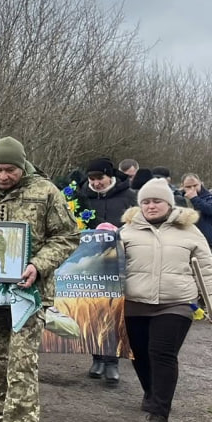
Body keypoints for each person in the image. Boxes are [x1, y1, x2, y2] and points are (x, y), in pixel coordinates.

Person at [0, 137, 79, 422]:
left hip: (29, 293)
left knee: (22, 361)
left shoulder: (45, 192)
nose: (3, 176)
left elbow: (68, 236)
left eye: (10, 170)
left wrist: (37, 265)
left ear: (23, 166)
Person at [120, 179, 212, 422]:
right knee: (140, 354)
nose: (151, 206)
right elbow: (107, 267)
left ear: (168, 203)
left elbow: (207, 271)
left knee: (162, 353)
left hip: (176, 303)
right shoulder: (126, 231)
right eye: (146, 201)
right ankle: (151, 390)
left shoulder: (189, 231)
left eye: (157, 201)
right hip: (135, 303)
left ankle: (159, 412)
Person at [76, 158, 136, 384]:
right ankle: (97, 357)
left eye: (100, 178)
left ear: (109, 176)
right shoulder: (81, 197)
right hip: (90, 260)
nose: (96, 183)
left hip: (119, 260)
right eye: (91, 179)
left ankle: (112, 361)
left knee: (115, 311)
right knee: (93, 311)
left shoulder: (128, 196)